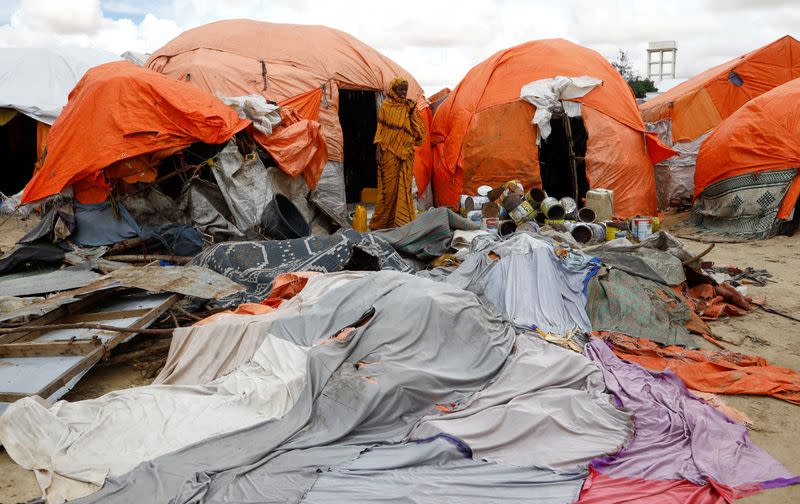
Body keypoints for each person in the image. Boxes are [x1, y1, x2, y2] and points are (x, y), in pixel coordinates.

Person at [369, 77, 426, 230]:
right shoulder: (386, 106)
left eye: (405, 90)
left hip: (406, 153)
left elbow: (419, 131)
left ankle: (403, 222)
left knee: (404, 188)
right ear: (393, 90)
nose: (403, 93)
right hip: (389, 152)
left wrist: (413, 110)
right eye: (400, 90)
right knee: (388, 190)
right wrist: (378, 151)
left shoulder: (408, 107)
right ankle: (383, 223)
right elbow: (380, 129)